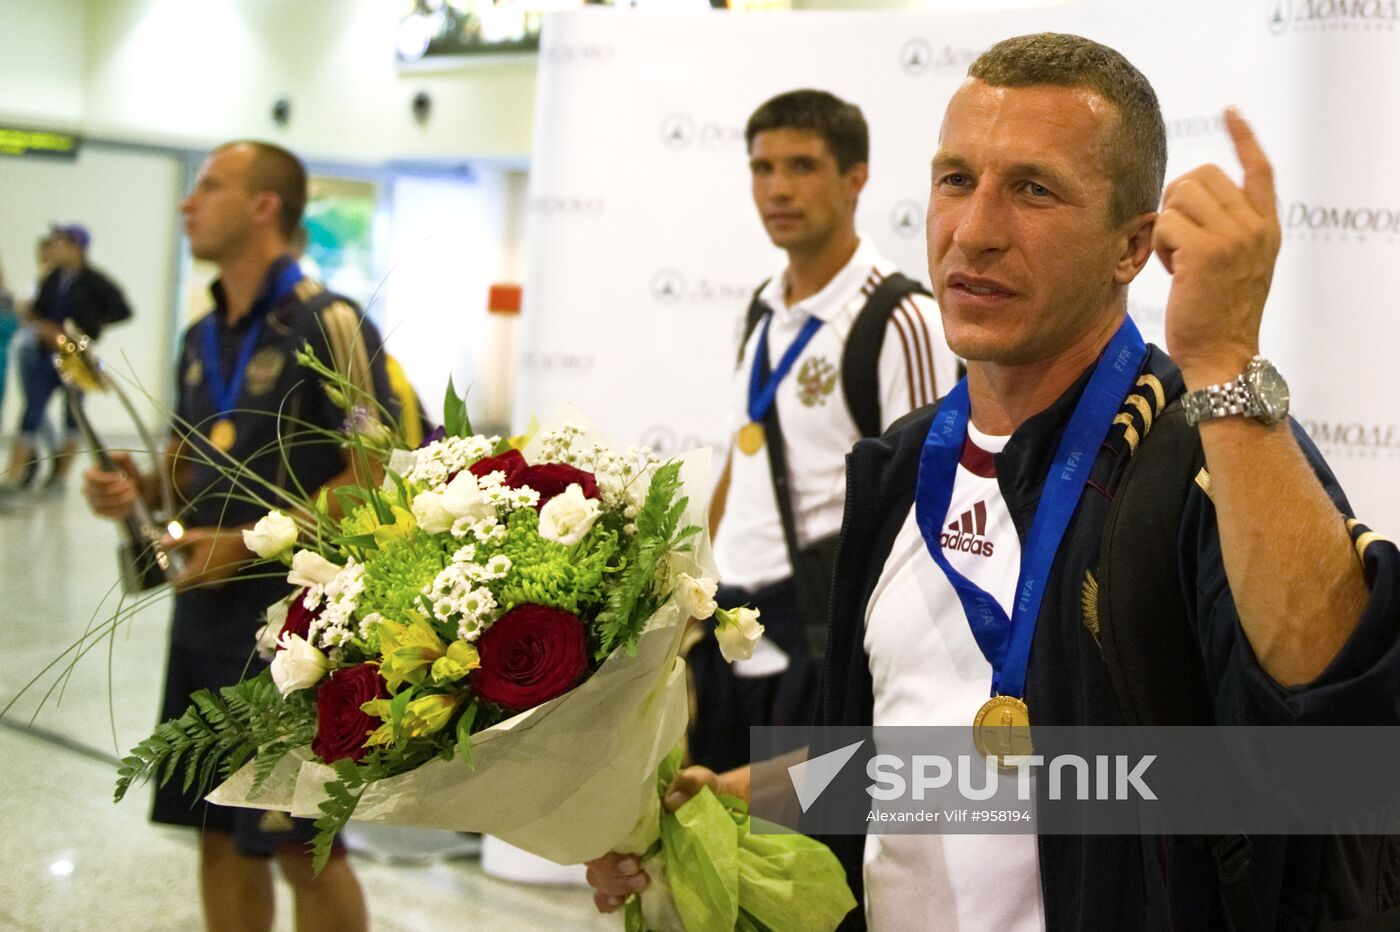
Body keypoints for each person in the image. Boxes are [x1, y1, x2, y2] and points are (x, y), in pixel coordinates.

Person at [588, 33, 1400, 930]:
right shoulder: (900, 466)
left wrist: (1225, 358)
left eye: (1033, 189)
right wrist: (735, 794)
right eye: (955, 179)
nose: (973, 231)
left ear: (1133, 245)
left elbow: (1345, 743)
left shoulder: (1204, 451)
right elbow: (905, 760)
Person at [82, 141, 392, 932]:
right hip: (202, 623)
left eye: (210, 186)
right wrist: (137, 488)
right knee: (214, 835)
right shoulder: (199, 337)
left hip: (294, 636)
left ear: (264, 207)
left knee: (301, 848)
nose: (189, 202)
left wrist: (249, 542)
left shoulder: (333, 323)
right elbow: (187, 473)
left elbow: (372, 475)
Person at [688, 89, 958, 773]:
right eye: (763, 167)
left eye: (802, 166)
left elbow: (927, 500)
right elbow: (743, 458)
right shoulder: (761, 307)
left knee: (808, 861)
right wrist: (698, 588)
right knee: (716, 847)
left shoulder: (901, 317)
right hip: (730, 632)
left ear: (855, 179)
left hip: (820, 636)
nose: (777, 188)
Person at [2, 223, 131, 493]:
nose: (56, 248)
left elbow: (123, 310)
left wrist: (92, 328)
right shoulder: (53, 278)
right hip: (46, 355)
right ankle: (14, 477)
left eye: (61, 243)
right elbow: (40, 310)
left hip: (75, 358)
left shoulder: (95, 282)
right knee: (32, 411)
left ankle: (59, 477)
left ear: (76, 248)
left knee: (73, 417)